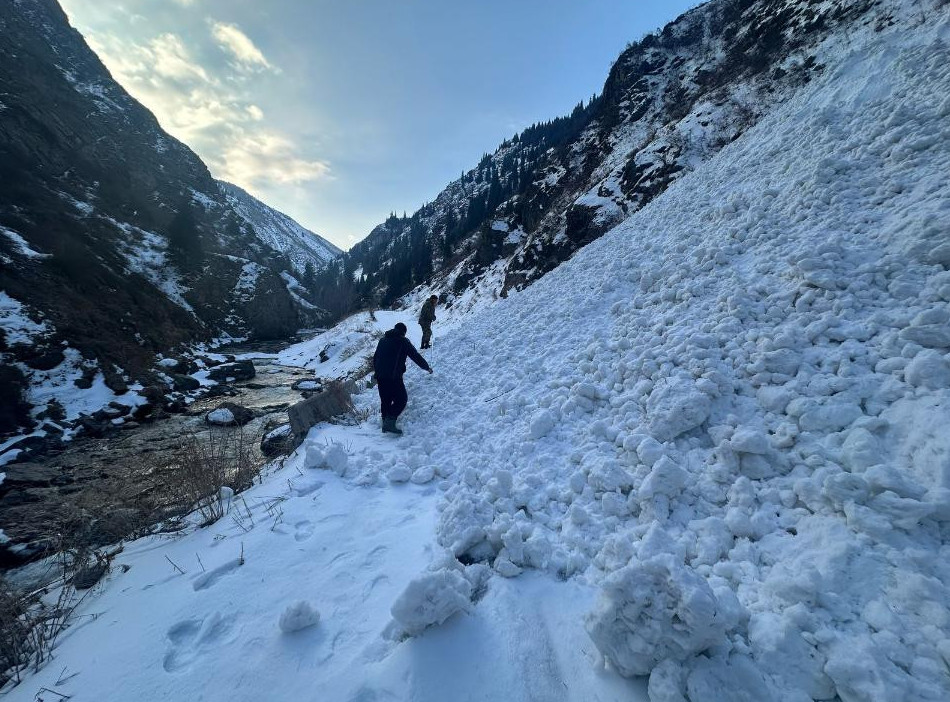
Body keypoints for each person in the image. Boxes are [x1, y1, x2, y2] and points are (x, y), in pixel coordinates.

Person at [372, 322, 432, 434]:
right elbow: (415, 356)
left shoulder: (382, 340)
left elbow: (375, 358)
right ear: (403, 332)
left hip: (380, 376)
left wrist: (378, 372)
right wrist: (427, 367)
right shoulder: (403, 341)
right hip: (393, 377)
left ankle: (385, 423)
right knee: (401, 399)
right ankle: (389, 423)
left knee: (386, 400)